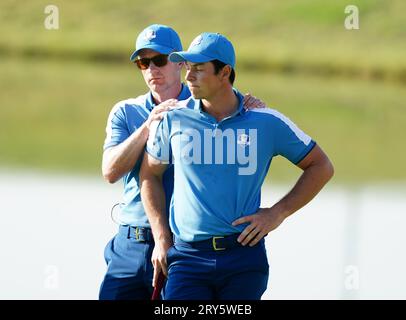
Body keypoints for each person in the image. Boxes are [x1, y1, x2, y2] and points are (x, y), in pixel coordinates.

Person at [140, 32, 334, 300]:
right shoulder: (174, 118)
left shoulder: (267, 122)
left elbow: (321, 166)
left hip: (244, 258)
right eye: (188, 68)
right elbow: (150, 174)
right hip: (187, 258)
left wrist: (278, 213)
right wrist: (161, 235)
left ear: (225, 73)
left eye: (199, 69)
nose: (189, 77)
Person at [99, 25, 265, 300]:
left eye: (160, 60)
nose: (152, 69)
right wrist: (147, 127)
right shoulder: (125, 111)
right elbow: (110, 171)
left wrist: (251, 106)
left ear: (180, 63)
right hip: (132, 240)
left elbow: (235, 111)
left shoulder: (204, 107)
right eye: (143, 62)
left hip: (184, 245)